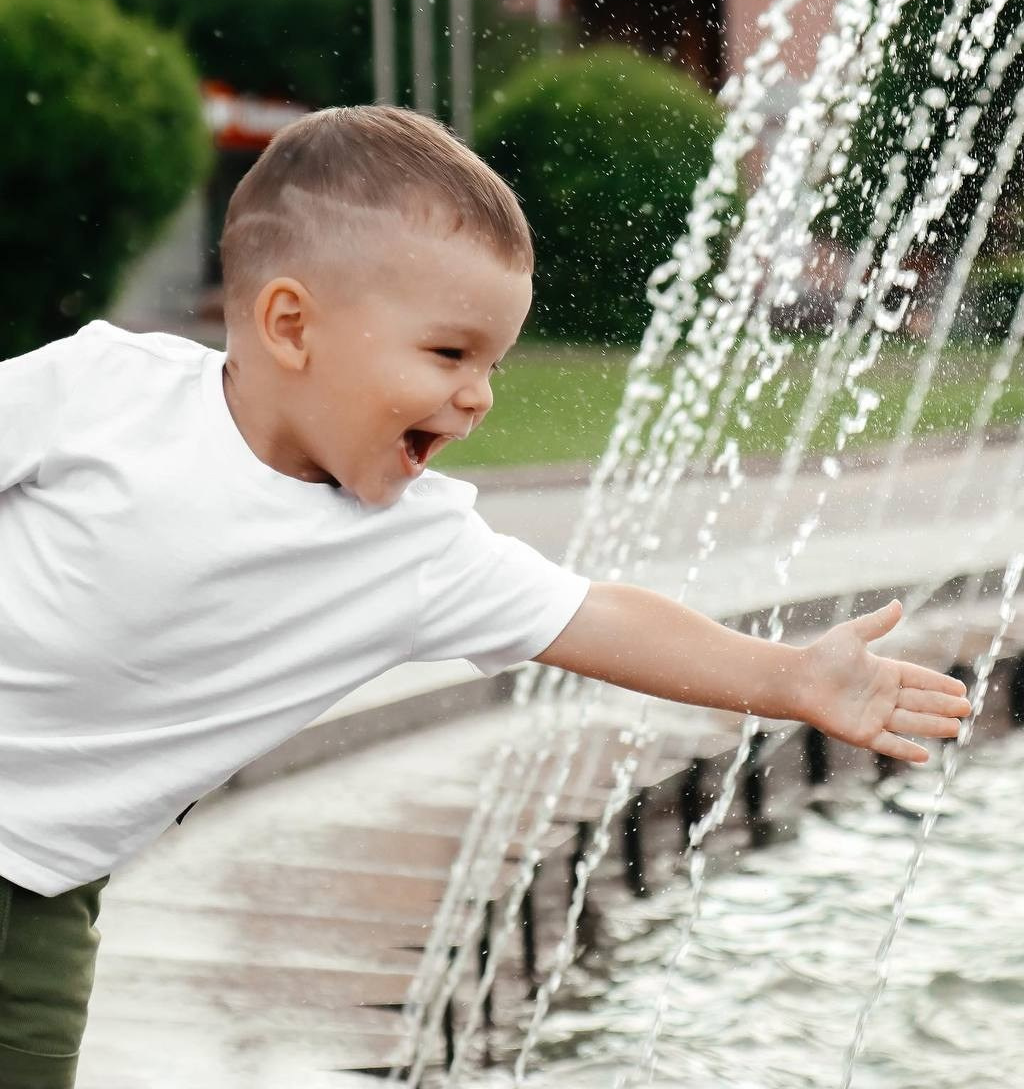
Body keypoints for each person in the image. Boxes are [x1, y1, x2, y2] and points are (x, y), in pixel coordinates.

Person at [0, 105, 969, 1088]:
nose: (478, 396)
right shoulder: (107, 392)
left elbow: (598, 616)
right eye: (448, 353)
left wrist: (791, 674)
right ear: (291, 325)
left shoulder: (414, 548)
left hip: (47, 887)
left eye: (493, 363)